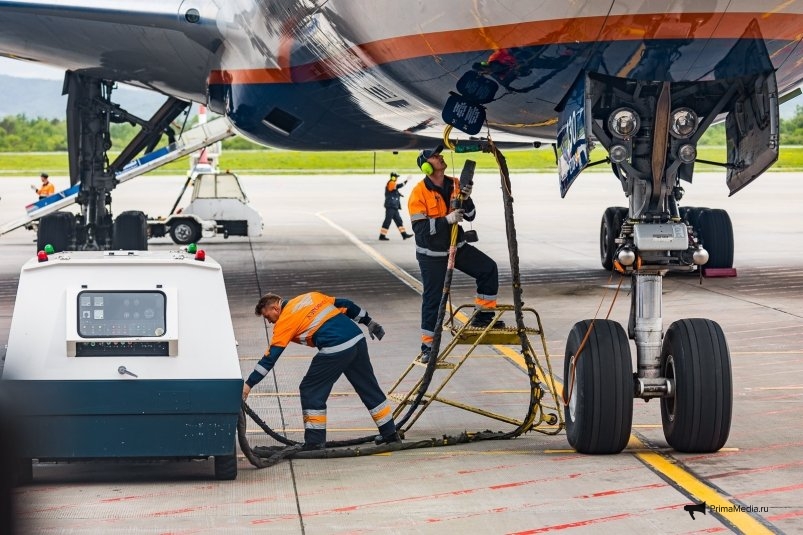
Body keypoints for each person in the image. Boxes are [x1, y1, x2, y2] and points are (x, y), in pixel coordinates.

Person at [242, 291, 401, 449]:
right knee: (368, 386)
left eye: (267, 316)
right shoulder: (309, 297)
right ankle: (390, 433)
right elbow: (345, 304)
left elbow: (270, 358)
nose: (269, 322)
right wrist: (368, 321)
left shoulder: (285, 320)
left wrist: (248, 385)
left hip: (336, 346)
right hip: (357, 338)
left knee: (310, 389)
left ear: (275, 308)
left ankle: (315, 441)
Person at [408, 144, 503, 362]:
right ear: (426, 167)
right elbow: (421, 230)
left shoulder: (455, 183)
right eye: (434, 156)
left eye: (440, 155)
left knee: (488, 269)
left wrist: (466, 198)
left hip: (456, 247)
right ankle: (428, 347)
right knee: (434, 298)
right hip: (431, 255)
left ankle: (483, 316)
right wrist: (446, 220)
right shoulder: (418, 194)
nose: (440, 157)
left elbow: (471, 215)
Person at [379, 172, 413, 241]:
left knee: (399, 220)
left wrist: (399, 194)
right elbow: (398, 186)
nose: (397, 178)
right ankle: (382, 236)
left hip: (394, 207)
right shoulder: (391, 183)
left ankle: (404, 234)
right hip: (391, 206)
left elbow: (394, 191)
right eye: (396, 177)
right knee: (387, 220)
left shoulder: (392, 184)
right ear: (393, 177)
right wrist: (407, 180)